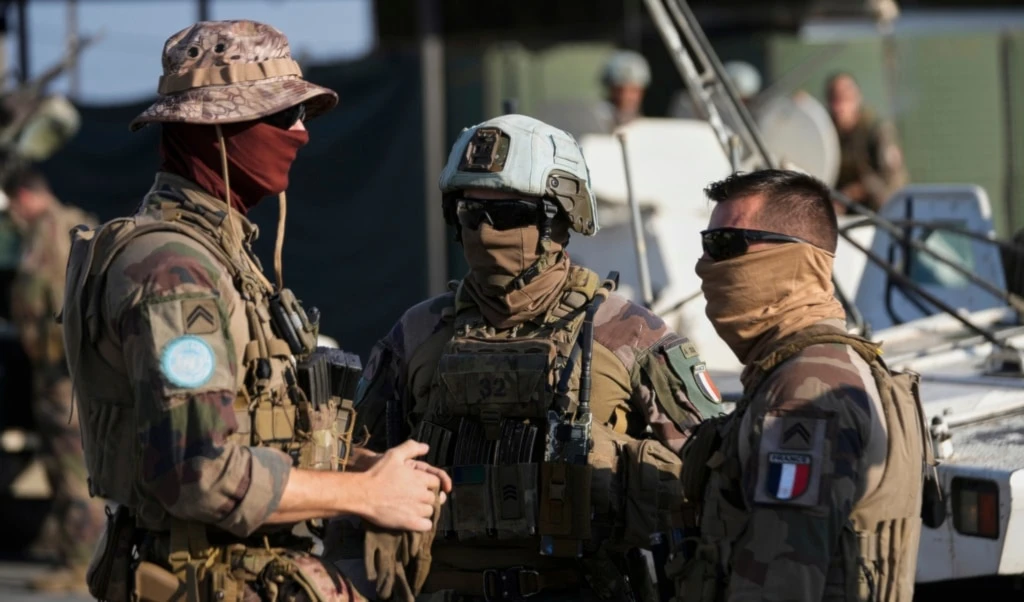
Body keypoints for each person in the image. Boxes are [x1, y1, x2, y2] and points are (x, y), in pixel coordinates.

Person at [60, 20, 450, 601]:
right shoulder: (174, 272)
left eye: (302, 115)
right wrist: (365, 497)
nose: (301, 133)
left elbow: (254, 432)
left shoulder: (220, 256)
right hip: (207, 580)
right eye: (282, 115)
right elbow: (200, 473)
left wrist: (362, 467)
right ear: (216, 128)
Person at [334, 114, 724, 602]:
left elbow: (716, 478)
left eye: (508, 214)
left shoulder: (627, 332)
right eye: (470, 213)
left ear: (558, 220)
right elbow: (346, 467)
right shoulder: (417, 332)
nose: (485, 231)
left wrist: (623, 476)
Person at [671, 169, 930, 601]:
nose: (706, 265)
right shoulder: (814, 368)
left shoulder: (808, 391)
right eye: (707, 244)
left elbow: (781, 584)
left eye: (726, 245)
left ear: (795, 258)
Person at [5, 167, 106, 593]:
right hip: (80, 370)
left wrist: (33, 341)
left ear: (25, 196)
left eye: (12, 205)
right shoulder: (78, 225)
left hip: (60, 374)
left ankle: (82, 566)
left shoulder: (45, 233)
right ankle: (80, 556)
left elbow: (34, 297)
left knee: (72, 470)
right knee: (78, 466)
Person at [826, 72, 908, 213]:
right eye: (835, 100)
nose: (839, 108)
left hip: (882, 208)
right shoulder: (828, 129)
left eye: (845, 99)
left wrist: (851, 193)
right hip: (843, 207)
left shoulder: (876, 130)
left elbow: (889, 178)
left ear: (857, 99)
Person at [599, 50, 651, 130]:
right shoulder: (595, 124)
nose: (625, 97)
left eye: (633, 90)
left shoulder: (650, 128)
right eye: (618, 90)